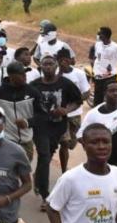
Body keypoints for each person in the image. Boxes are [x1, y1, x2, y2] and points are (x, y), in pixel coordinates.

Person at [31, 55, 83, 211]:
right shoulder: (34, 85)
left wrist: (66, 110)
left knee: (46, 157)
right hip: (40, 128)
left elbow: (78, 100)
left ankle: (38, 177)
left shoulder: (65, 84)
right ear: (40, 67)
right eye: (45, 64)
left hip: (58, 127)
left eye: (51, 64)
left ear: (56, 66)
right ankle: (46, 196)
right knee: (44, 155)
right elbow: (26, 103)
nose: (48, 66)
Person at [77, 81, 117, 188]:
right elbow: (80, 136)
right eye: (112, 91)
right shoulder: (94, 114)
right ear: (105, 93)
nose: (116, 93)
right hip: (107, 159)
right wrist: (95, 149)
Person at [57, 48, 90, 174]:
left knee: (72, 143)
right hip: (61, 114)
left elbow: (86, 92)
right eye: (60, 60)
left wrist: (76, 100)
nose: (63, 62)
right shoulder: (54, 73)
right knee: (64, 143)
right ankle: (64, 171)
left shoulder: (79, 73)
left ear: (70, 60)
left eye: (65, 60)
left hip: (75, 114)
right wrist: (59, 73)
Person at [92, 26, 117, 106]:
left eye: (99, 34)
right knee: (97, 101)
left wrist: (113, 67)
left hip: (110, 77)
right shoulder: (97, 44)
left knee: (113, 98)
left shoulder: (116, 47)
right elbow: (97, 58)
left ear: (105, 35)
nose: (98, 35)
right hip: (98, 77)